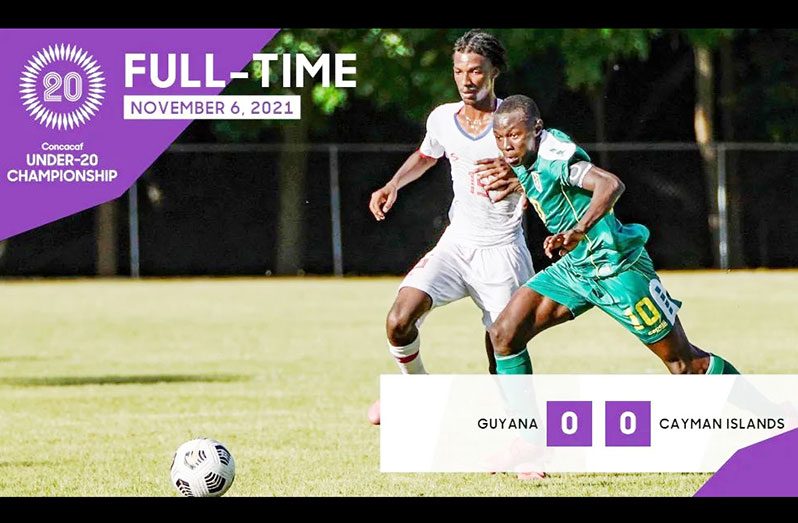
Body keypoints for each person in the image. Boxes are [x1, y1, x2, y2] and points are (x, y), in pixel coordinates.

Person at [368, 32, 564, 424]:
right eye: (459, 70)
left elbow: (555, 161)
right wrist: (393, 184)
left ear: (494, 72)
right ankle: (416, 391)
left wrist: (521, 176)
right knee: (398, 320)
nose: (466, 79)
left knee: (503, 349)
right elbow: (427, 156)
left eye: (475, 70)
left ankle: (519, 434)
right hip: (456, 244)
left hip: (503, 251)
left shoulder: (513, 123)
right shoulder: (442, 118)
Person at [487, 94, 740, 375]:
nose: (506, 145)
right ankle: (523, 420)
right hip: (576, 269)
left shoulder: (555, 158)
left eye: (513, 135)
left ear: (537, 128)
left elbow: (610, 184)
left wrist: (579, 230)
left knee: (686, 364)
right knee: (503, 334)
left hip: (616, 268)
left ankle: (771, 415)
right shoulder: (525, 155)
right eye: (499, 137)